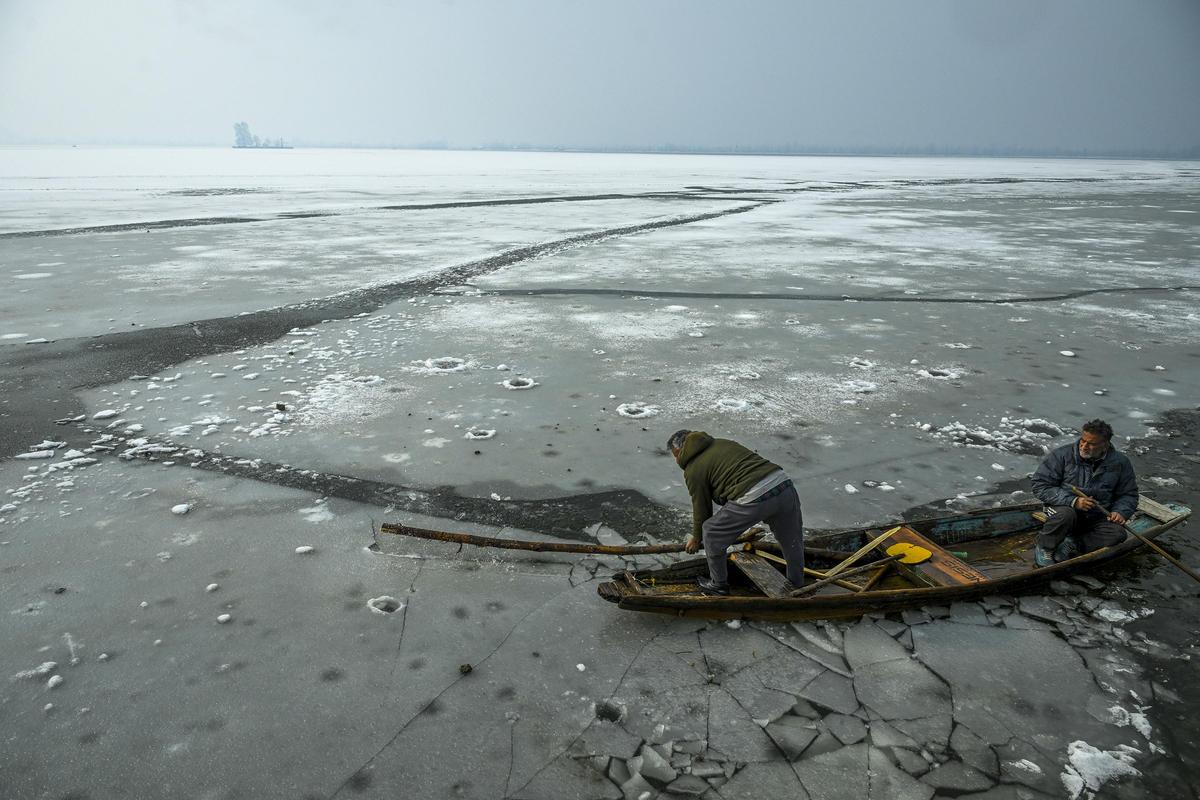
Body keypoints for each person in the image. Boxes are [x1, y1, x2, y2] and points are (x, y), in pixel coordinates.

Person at [667, 429, 805, 595]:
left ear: (681, 450)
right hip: (784, 485)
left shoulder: (693, 469)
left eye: (675, 456)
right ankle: (797, 583)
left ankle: (718, 585)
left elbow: (701, 507)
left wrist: (697, 538)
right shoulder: (722, 442)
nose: (676, 461)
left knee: (711, 531)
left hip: (755, 495)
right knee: (792, 541)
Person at [1029, 418, 1138, 567]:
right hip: (1060, 509)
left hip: (1096, 516)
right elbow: (1040, 485)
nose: (1084, 446)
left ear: (1105, 445)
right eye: (1083, 440)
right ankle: (1045, 547)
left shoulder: (1120, 462)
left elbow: (1128, 494)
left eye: (1091, 443)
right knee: (1065, 515)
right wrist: (1073, 501)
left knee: (1118, 534)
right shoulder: (1062, 455)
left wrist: (1121, 512)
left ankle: (1073, 543)